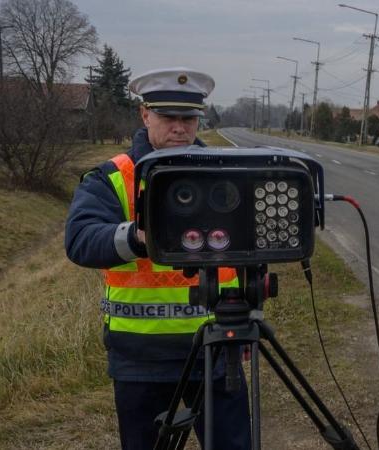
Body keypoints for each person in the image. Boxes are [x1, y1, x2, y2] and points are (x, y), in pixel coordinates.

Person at [65, 67, 250, 450]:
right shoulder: (113, 178)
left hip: (215, 348)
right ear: (144, 114)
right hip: (141, 357)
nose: (180, 128)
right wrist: (137, 236)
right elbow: (80, 240)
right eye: (169, 117)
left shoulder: (226, 175)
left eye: (189, 119)